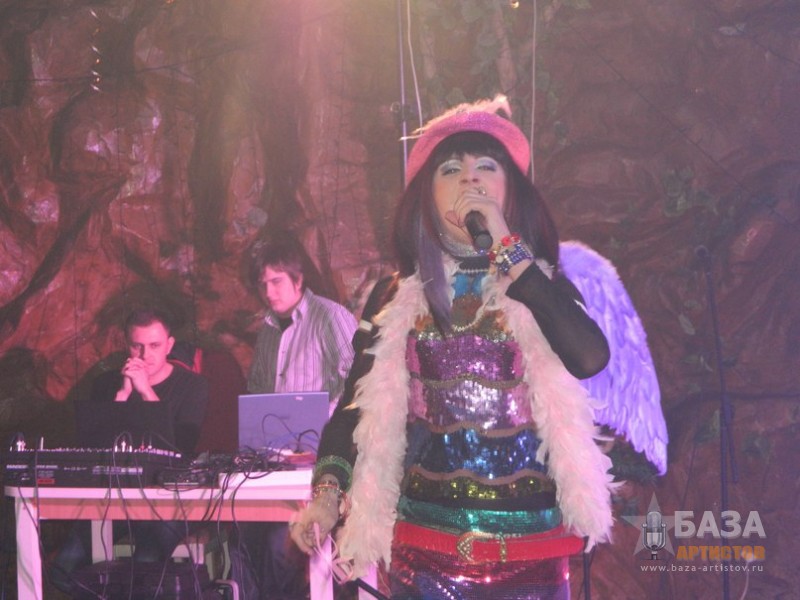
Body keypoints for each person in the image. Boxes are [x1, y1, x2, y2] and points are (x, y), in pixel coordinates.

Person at [289, 96, 616, 599]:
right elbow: (354, 410)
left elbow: (590, 357)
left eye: (487, 166)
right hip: (423, 553)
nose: (469, 179)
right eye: (451, 169)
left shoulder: (542, 285)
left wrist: (506, 246)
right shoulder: (395, 297)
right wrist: (327, 497)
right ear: (426, 196)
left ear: (511, 191)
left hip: (532, 555)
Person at [231, 235, 358, 600]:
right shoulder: (268, 331)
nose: (268, 292)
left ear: (298, 280)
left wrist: (325, 416)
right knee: (240, 533)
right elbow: (257, 393)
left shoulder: (330, 316)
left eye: (276, 281)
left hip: (323, 467)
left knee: (278, 544)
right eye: (263, 284)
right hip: (277, 466)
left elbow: (359, 384)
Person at [51, 307, 209, 593]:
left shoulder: (192, 386)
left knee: (144, 564)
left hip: (168, 503)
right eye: (138, 346)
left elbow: (181, 448)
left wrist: (146, 391)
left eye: (154, 346)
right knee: (63, 568)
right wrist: (122, 396)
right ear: (127, 345)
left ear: (169, 345)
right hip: (115, 500)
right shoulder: (106, 384)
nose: (145, 355)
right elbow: (93, 449)